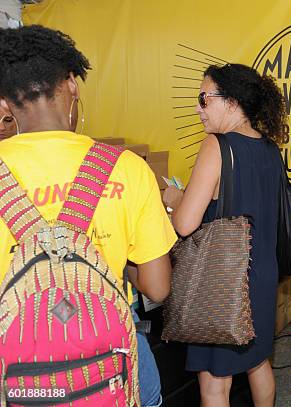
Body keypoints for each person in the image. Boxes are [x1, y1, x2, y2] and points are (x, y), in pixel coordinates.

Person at [0, 25, 176, 407]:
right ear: (72, 85)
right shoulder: (126, 169)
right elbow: (158, 287)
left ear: (3, 103)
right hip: (112, 358)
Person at [163, 63, 285, 407]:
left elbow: (185, 223)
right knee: (258, 362)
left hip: (223, 282)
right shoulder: (269, 148)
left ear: (231, 102)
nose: (198, 108)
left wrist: (175, 199)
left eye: (204, 99)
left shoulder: (216, 145)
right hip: (261, 275)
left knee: (216, 385)